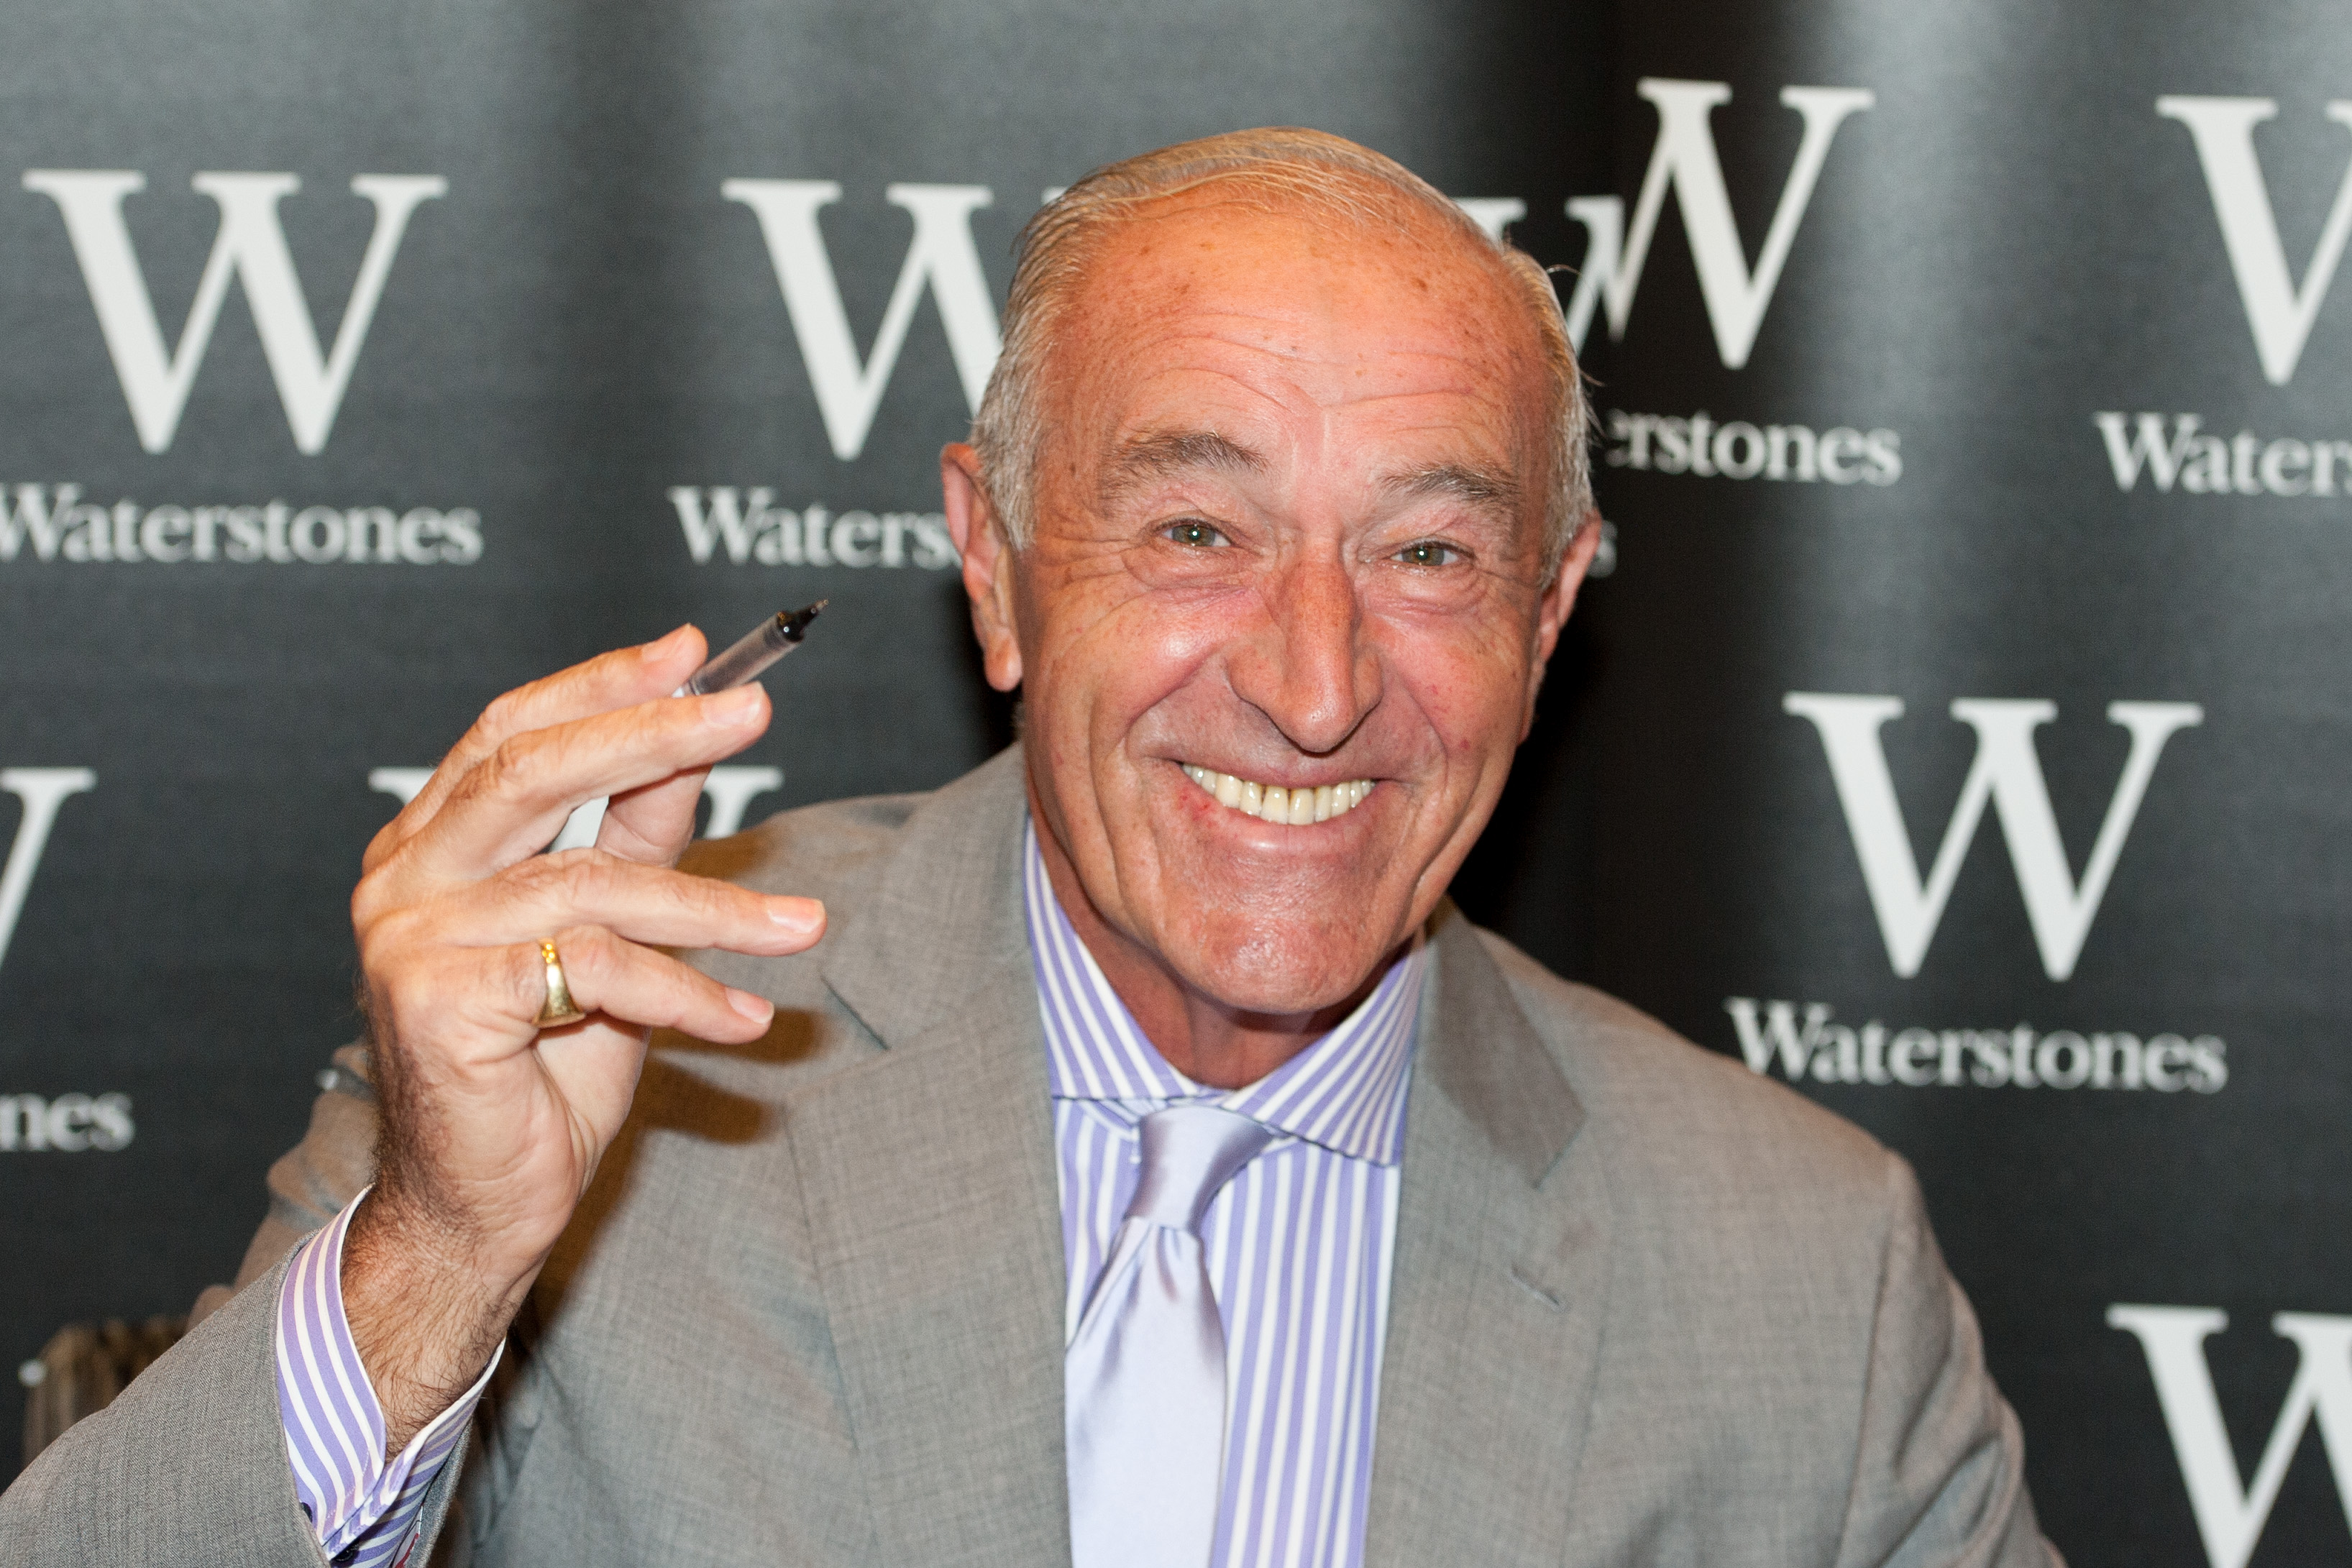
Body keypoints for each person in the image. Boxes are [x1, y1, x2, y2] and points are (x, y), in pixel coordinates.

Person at [0, 129, 2058, 1567]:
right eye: (1196, 532)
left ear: (1550, 613)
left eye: (1431, 553)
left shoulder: (1809, 1277)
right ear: (993, 568)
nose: (1319, 682)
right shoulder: (616, 1047)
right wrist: (442, 1259)